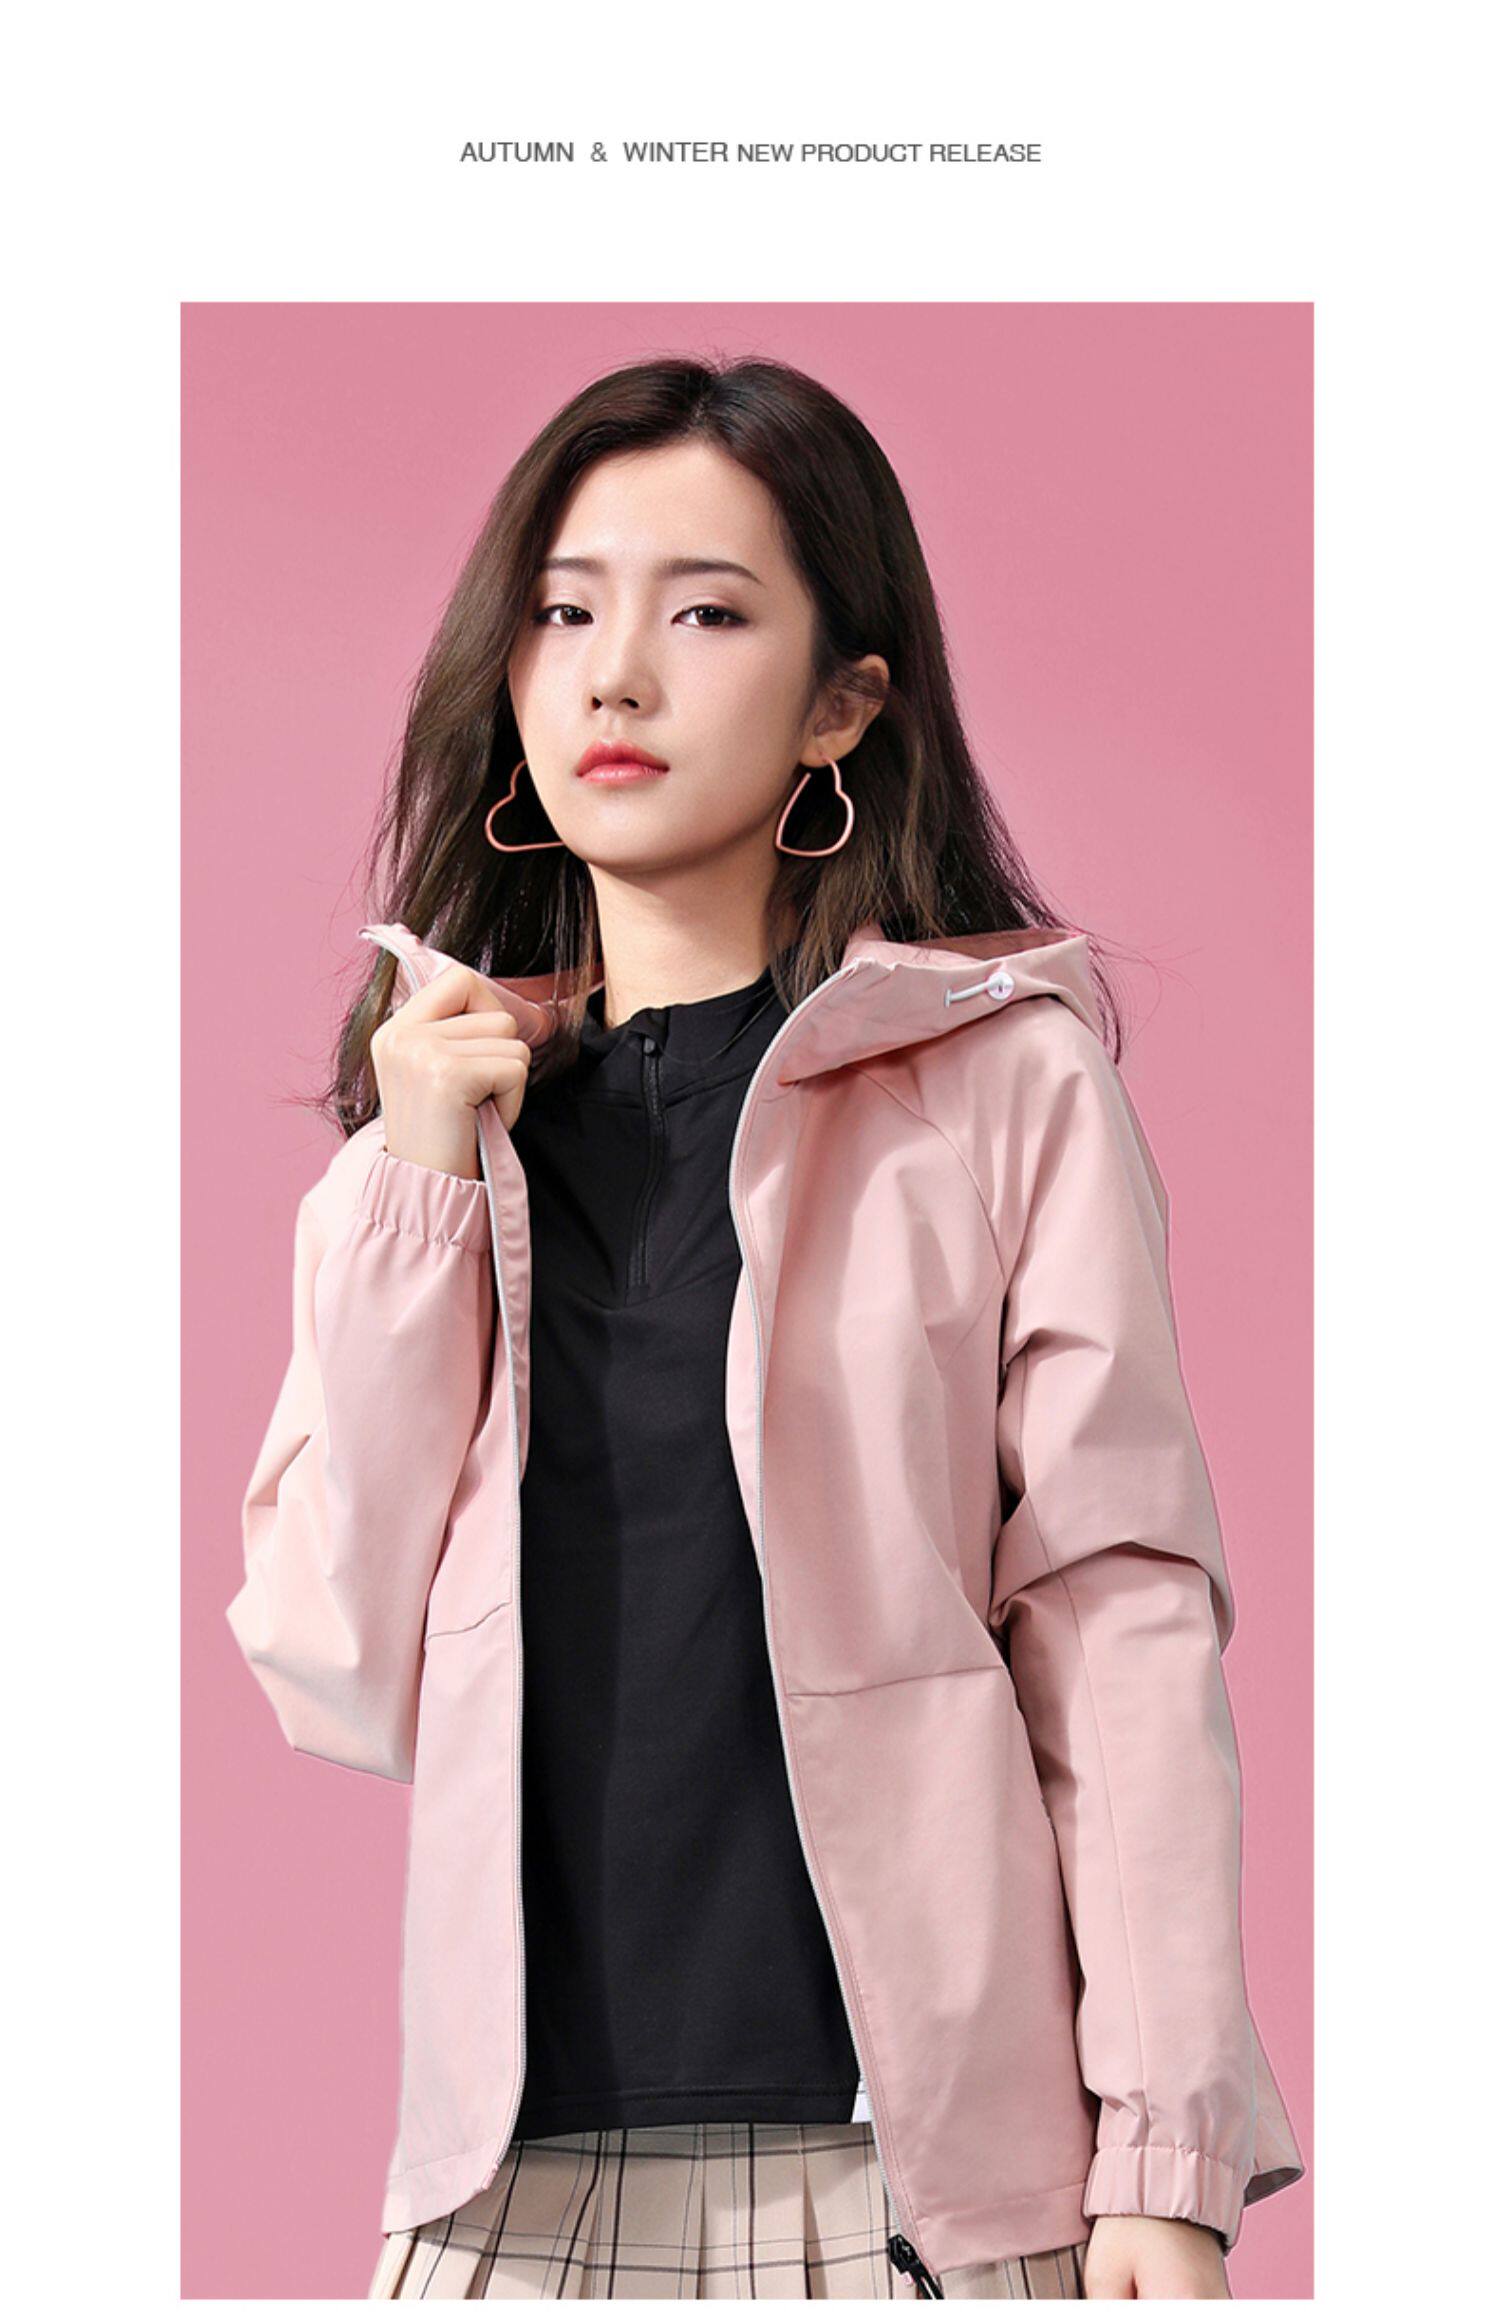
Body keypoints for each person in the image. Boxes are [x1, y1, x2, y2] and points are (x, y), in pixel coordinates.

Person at [227, 355, 1305, 2300]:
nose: (617, 677)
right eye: (567, 612)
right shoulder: (437, 1148)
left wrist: (1166, 2154)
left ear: (842, 703)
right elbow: (334, 1660)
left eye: (707, 613)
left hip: (918, 2195)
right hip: (500, 2205)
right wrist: (411, 1174)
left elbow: (1116, 1614)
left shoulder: (1002, 1089)